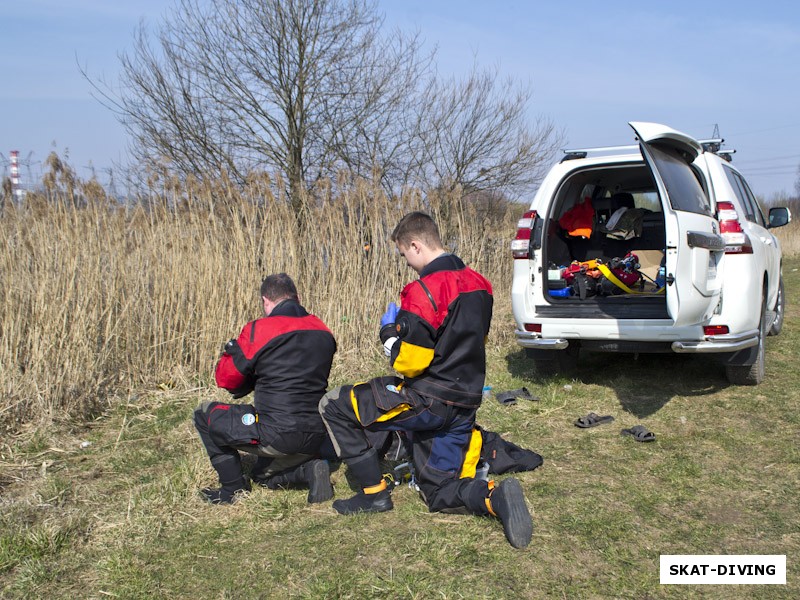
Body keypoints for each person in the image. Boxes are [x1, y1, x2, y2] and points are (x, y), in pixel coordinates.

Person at [319, 212, 534, 549]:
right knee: (438, 491)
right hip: (465, 402)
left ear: (416, 245)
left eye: (405, 255)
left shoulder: (423, 290)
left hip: (427, 402)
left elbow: (411, 363)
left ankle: (373, 495)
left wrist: (388, 335)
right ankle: (494, 499)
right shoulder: (482, 284)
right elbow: (478, 340)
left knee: (333, 404)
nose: (407, 264)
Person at [194, 273, 337, 505]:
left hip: (277, 433)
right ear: (297, 298)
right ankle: (310, 470)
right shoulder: (322, 329)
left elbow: (227, 380)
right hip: (316, 433)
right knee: (261, 474)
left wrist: (233, 353)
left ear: (265, 301)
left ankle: (232, 490)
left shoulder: (259, 329)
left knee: (203, 414)